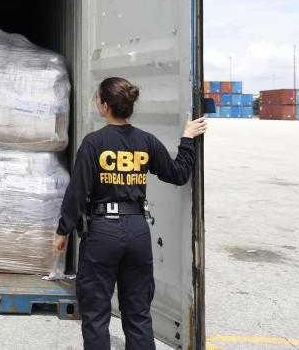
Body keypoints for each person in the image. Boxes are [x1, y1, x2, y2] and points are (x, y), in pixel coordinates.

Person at [53, 77, 207, 350]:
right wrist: (187, 139)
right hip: (137, 232)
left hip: (102, 234)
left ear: (104, 105)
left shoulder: (94, 143)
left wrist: (63, 230)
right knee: (137, 313)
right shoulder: (145, 142)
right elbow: (178, 173)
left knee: (96, 314)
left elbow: (77, 192)